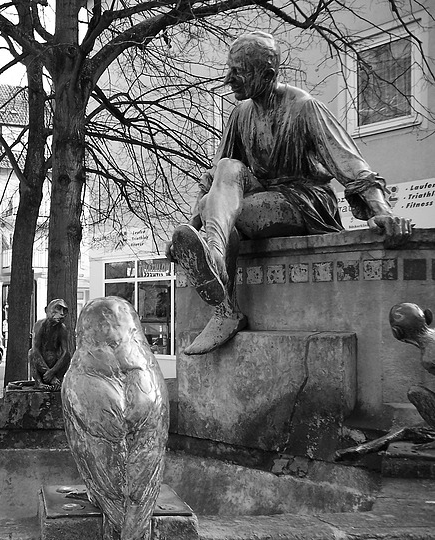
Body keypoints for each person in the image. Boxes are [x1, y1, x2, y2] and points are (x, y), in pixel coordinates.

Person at [169, 31, 412, 356]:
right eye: (230, 70)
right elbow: (217, 180)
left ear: (268, 75)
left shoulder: (305, 107)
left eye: (239, 72)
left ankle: (225, 308)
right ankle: (212, 251)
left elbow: (352, 165)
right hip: (258, 199)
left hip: (303, 202)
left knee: (227, 212)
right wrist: (193, 226)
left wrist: (381, 209)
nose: (229, 80)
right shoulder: (240, 114)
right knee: (227, 166)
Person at [29, 298, 71, 388]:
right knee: (31, 353)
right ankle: (39, 382)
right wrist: (48, 373)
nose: (62, 313)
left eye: (64, 311)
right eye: (58, 309)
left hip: (54, 363)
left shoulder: (62, 329)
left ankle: (58, 380)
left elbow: (65, 352)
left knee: (67, 356)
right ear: (46, 310)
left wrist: (53, 372)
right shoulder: (39, 325)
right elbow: (36, 350)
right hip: (41, 361)